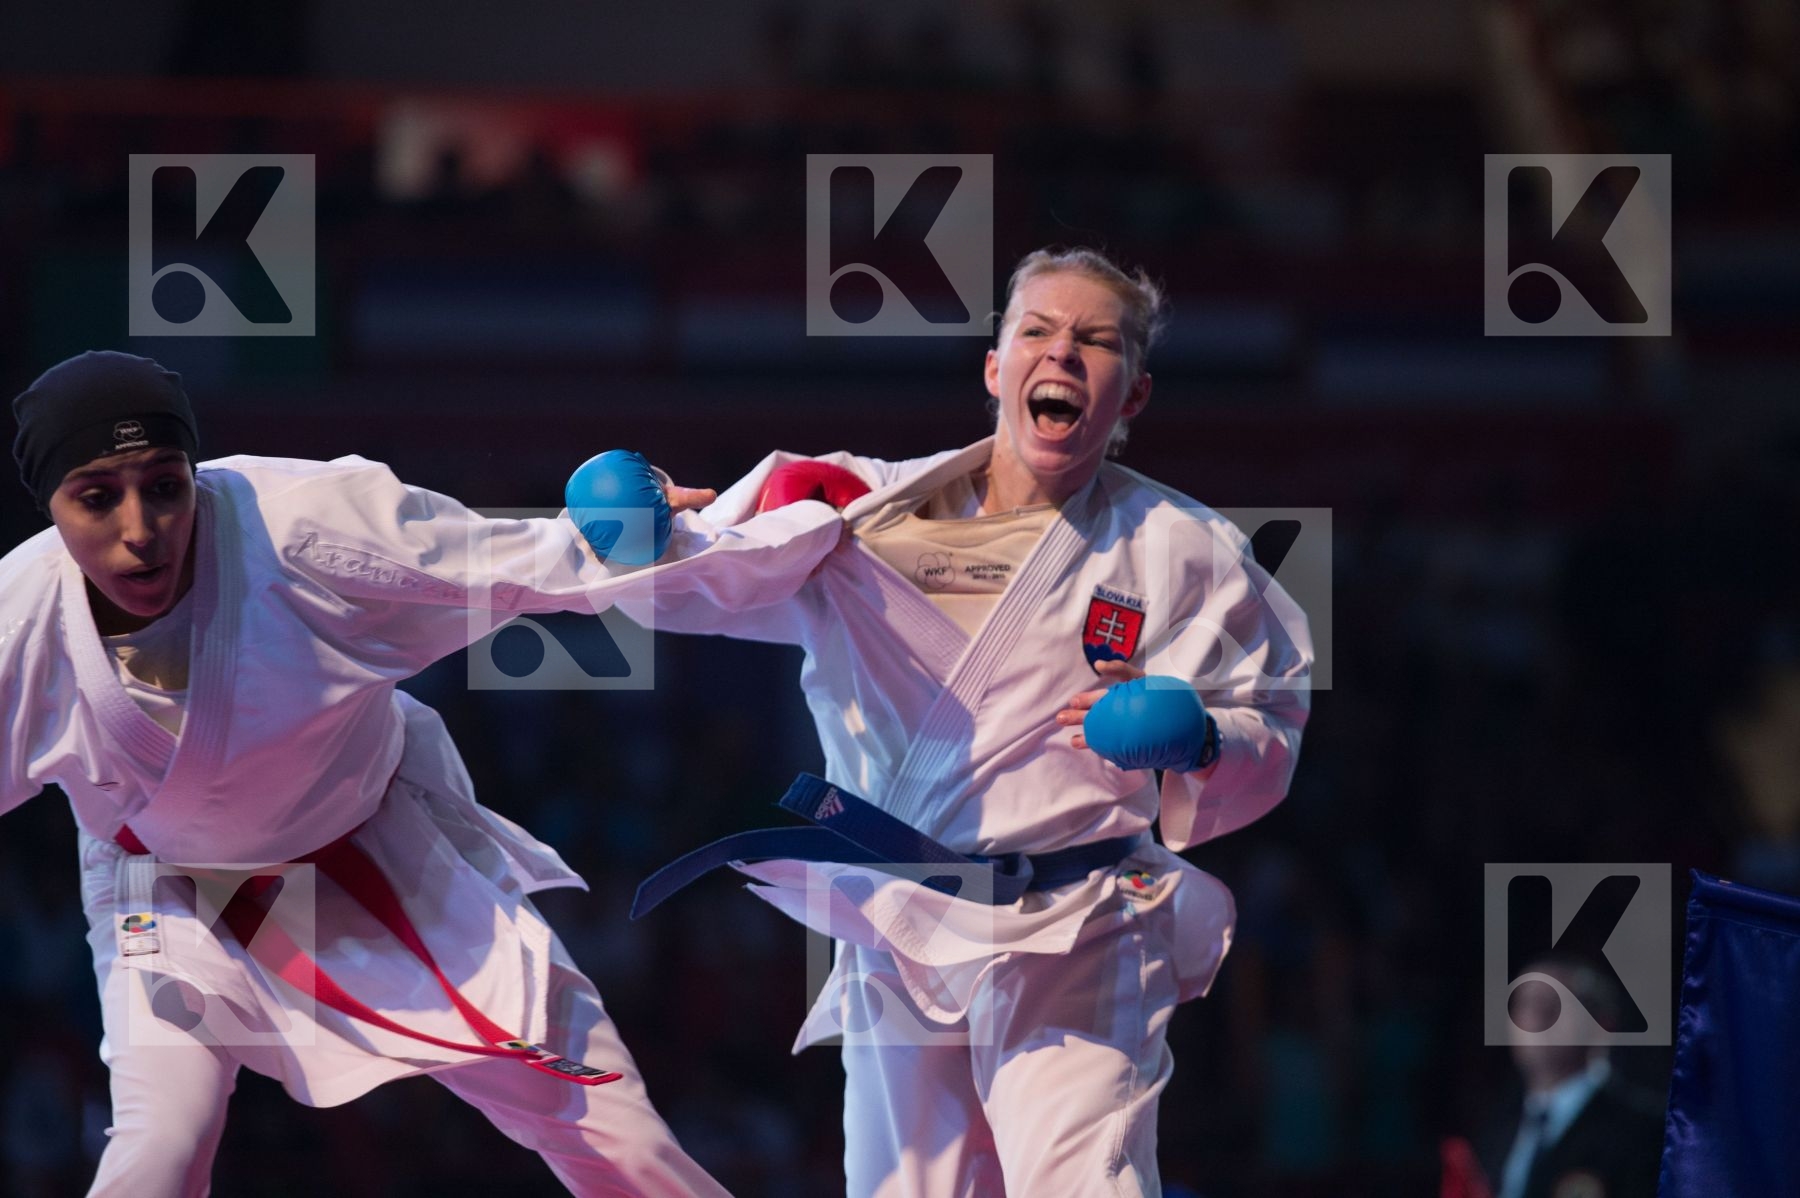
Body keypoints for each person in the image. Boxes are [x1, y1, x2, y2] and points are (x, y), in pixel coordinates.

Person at [0, 351, 845, 1197]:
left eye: (165, 485)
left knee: (615, 1137)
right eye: (98, 496)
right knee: (159, 1152)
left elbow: (520, 562)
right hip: (169, 893)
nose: (141, 528)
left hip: (381, 852)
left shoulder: (303, 528)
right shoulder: (20, 624)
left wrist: (694, 529)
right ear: (49, 504)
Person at [622, 248, 1314, 1196]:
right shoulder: (861, 511)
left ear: (1135, 396)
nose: (1061, 353)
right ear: (994, 368)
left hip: (1075, 926)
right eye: (1037, 330)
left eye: (1095, 341)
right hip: (899, 924)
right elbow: (696, 571)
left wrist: (1199, 738)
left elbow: (1272, 720)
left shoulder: (1181, 550)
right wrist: (637, 522)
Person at [1474, 955, 1666, 1198]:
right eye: (1524, 1003)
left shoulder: (1642, 1132)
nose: (1536, 1016)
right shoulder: (1495, 1127)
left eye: (1556, 1002)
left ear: (1600, 1024)